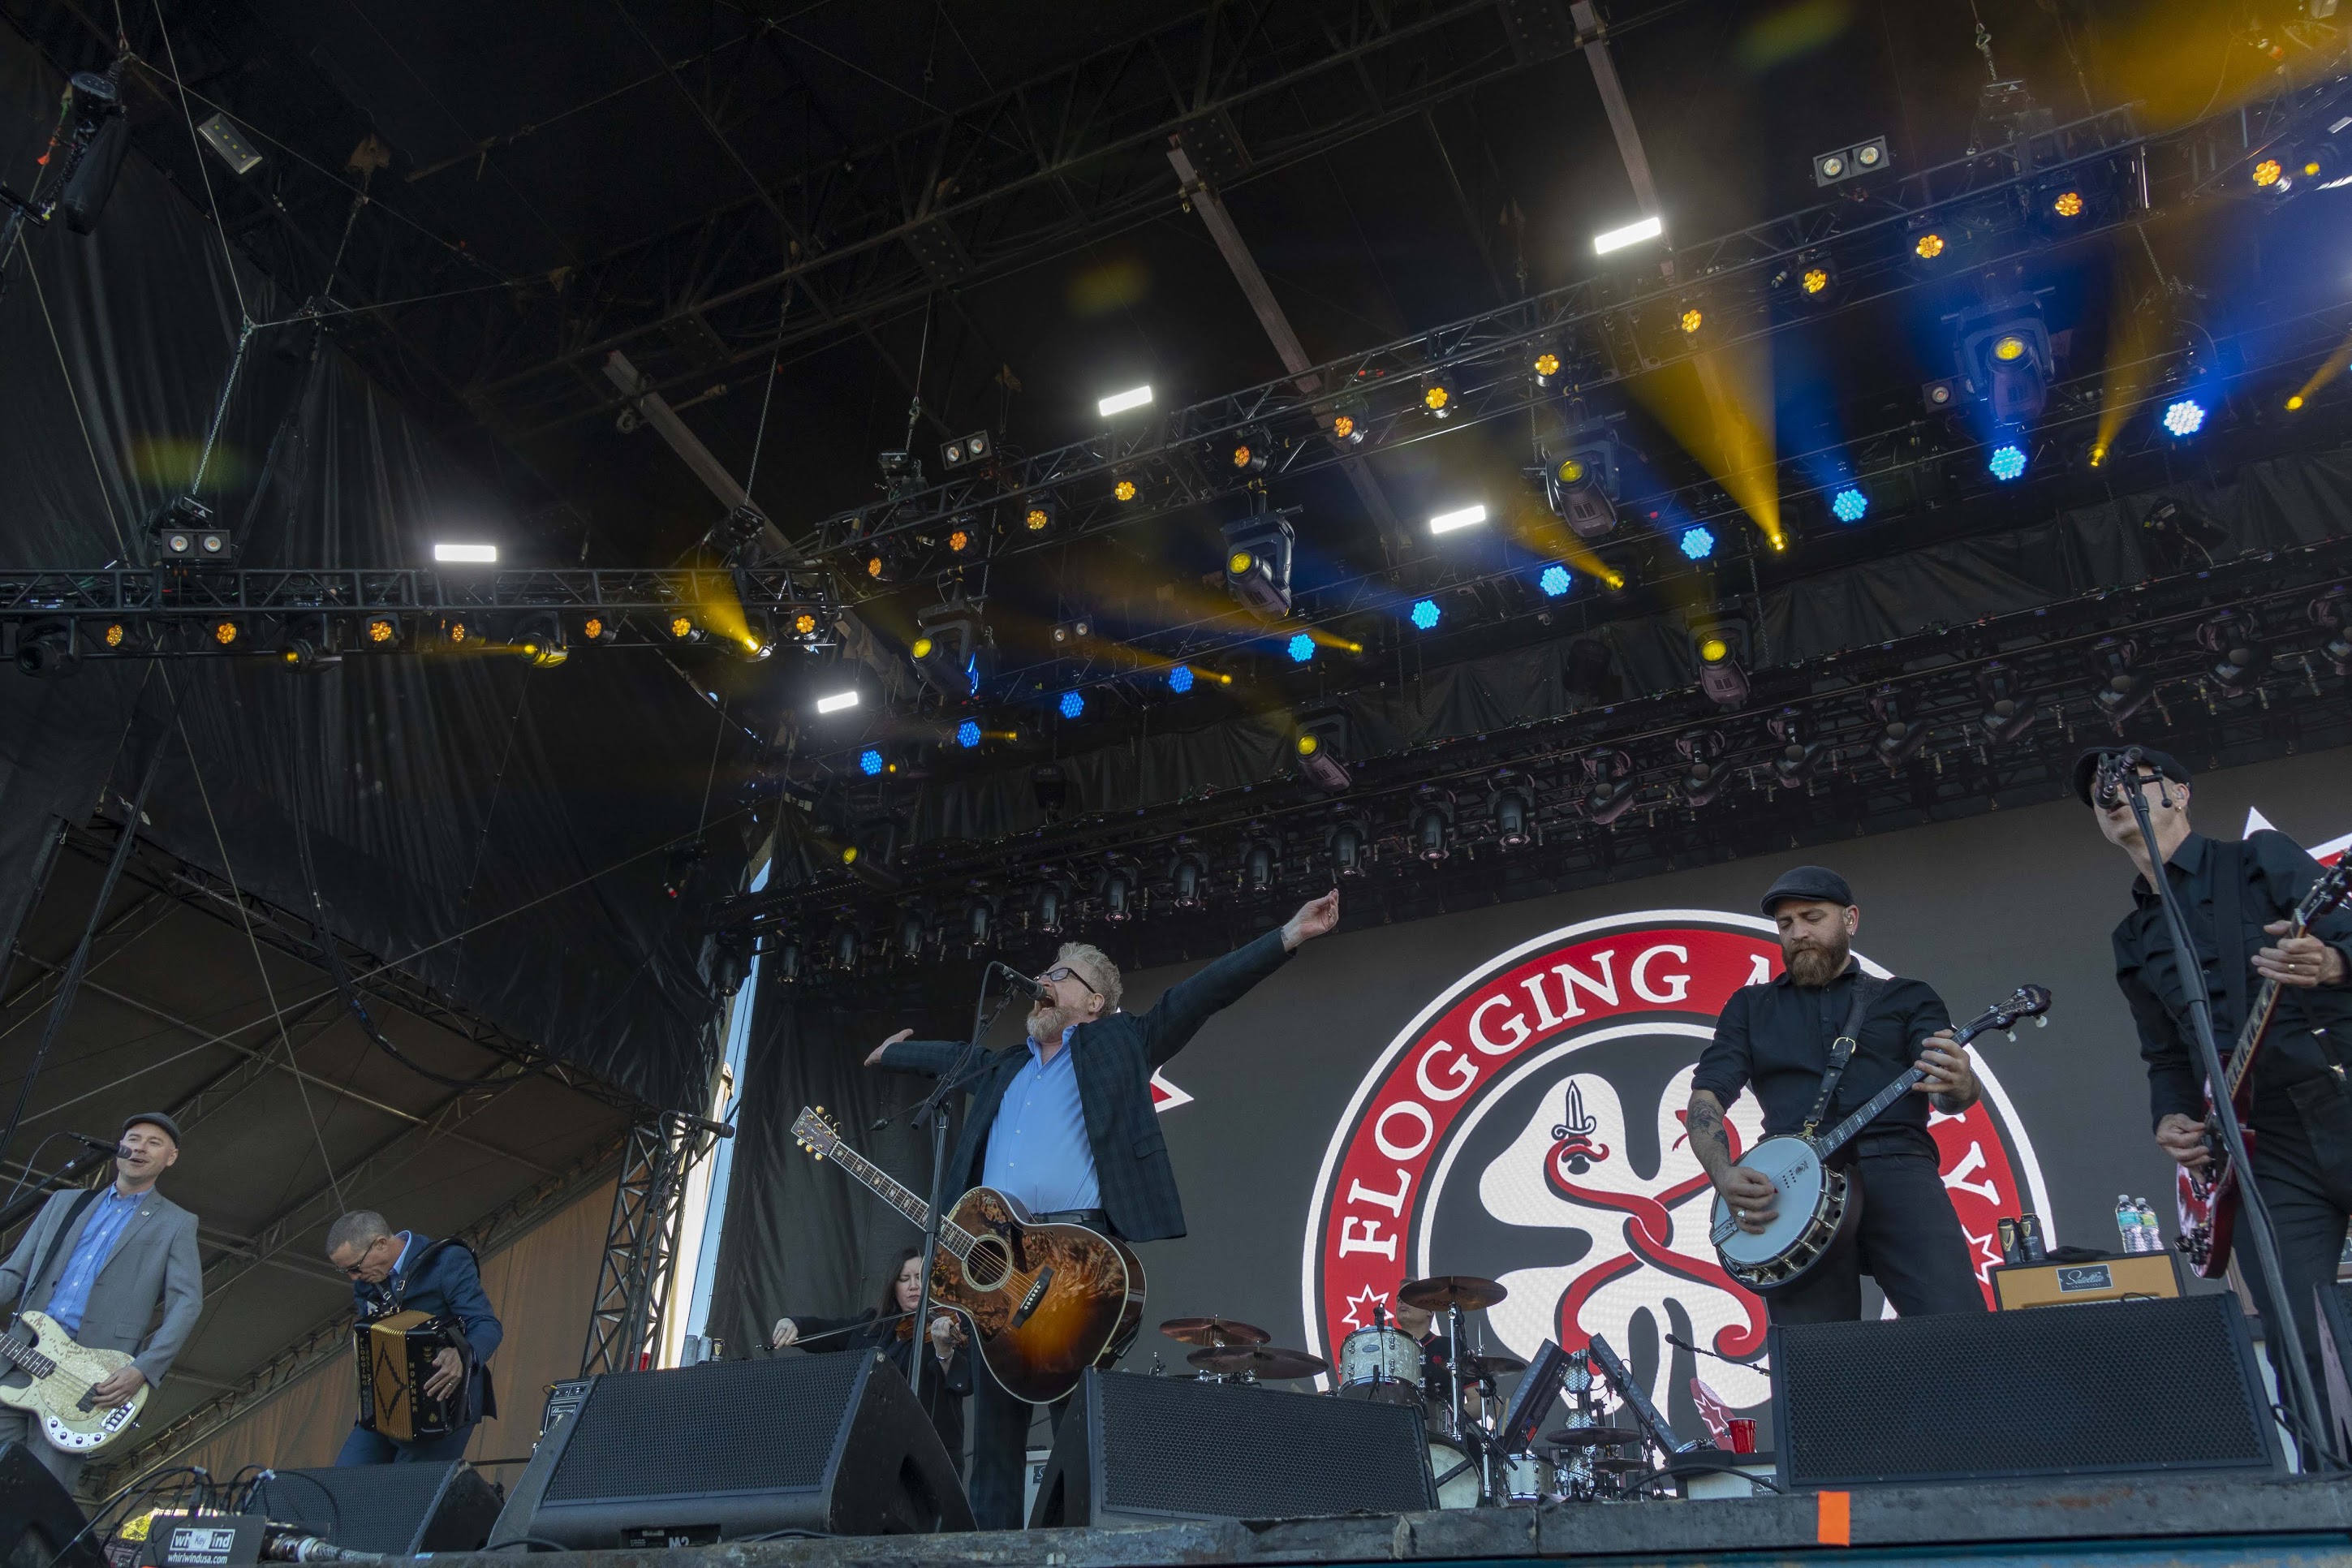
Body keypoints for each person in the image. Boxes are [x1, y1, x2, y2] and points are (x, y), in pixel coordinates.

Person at [868, 889, 1341, 1530]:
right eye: (1046, 971)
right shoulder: (1005, 1067)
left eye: (1062, 975)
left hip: (1075, 1259)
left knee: (1074, 1434)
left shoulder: (1119, 1042)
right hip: (999, 1263)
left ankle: (1071, 1550)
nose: (1045, 980)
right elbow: (954, 1061)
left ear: (1095, 1003)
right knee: (995, 1444)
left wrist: (1285, 936)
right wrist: (893, 1053)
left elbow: (1197, 996)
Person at [2078, 745, 2352, 1406]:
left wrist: (2332, 963)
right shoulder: (2131, 936)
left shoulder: (2259, 859)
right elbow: (2166, 1055)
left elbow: (2345, 936)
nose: (2110, 794)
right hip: (2261, 1141)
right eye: (2096, 792)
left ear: (2177, 792)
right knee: (2300, 1340)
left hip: (2338, 1089)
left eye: (2126, 780)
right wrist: (2168, 1116)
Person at [1686, 867, 1985, 1323]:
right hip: (1793, 1185)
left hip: (1897, 1164)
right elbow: (1707, 1095)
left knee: (1958, 1330)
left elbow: (1944, 1087)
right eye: (1786, 925)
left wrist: (1961, 1087)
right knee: (1818, 1363)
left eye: (1812, 917)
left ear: (1850, 920)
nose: (1798, 933)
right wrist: (1723, 1174)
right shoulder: (1749, 1007)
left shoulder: (1908, 997)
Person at [0, 1113, 201, 1488]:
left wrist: (144, 1368)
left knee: (39, 1497)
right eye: (133, 1138)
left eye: (153, 1143)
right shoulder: (65, 1203)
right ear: (118, 1148)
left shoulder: (176, 1223)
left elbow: (186, 1304)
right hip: (19, 1356)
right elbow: (13, 1273)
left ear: (171, 1157)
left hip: (89, 1379)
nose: (139, 1147)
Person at [326, 1210, 502, 1465]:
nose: (354, 1278)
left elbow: (487, 1324)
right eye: (346, 1272)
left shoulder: (445, 1261)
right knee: (343, 1484)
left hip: (443, 1399)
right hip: (386, 1400)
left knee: (408, 1494)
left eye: (355, 1268)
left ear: (381, 1244)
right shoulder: (367, 1280)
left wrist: (464, 1355)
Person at [770, 1247, 973, 1462]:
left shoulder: (951, 1324)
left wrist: (944, 1353)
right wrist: (796, 1324)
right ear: (893, 1286)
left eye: (920, 1278)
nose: (914, 1286)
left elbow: (966, 1382)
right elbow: (832, 1331)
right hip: (877, 1449)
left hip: (932, 1454)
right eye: (905, 1279)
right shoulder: (875, 1325)